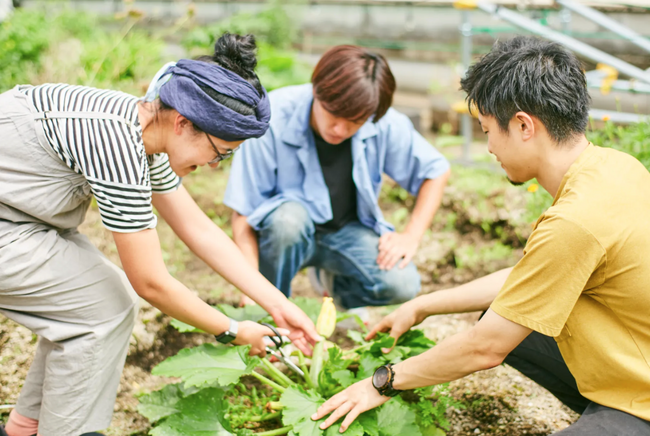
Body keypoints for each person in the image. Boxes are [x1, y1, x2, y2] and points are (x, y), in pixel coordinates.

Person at [312, 36, 650, 435]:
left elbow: (484, 347)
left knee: (498, 330)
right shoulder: (616, 167)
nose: (488, 146)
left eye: (487, 129)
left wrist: (381, 382)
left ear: (524, 125)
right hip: (632, 358)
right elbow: (529, 278)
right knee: (502, 312)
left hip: (642, 394)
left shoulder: (575, 221)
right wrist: (423, 305)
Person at [0, 33, 320, 436]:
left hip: (18, 218)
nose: (217, 165)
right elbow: (151, 282)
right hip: (9, 222)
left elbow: (198, 229)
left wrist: (276, 303)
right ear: (184, 123)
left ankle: (25, 428)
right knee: (100, 308)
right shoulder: (114, 144)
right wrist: (234, 331)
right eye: (220, 152)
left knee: (98, 299)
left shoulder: (144, 129)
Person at [224, 45, 451, 314]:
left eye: (354, 121)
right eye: (333, 115)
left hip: (346, 233)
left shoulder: (381, 121)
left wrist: (411, 235)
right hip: (283, 236)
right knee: (288, 222)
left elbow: (435, 170)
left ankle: (337, 294)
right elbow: (243, 213)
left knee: (402, 284)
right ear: (316, 91)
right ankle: (269, 315)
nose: (340, 129)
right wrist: (251, 286)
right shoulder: (272, 117)